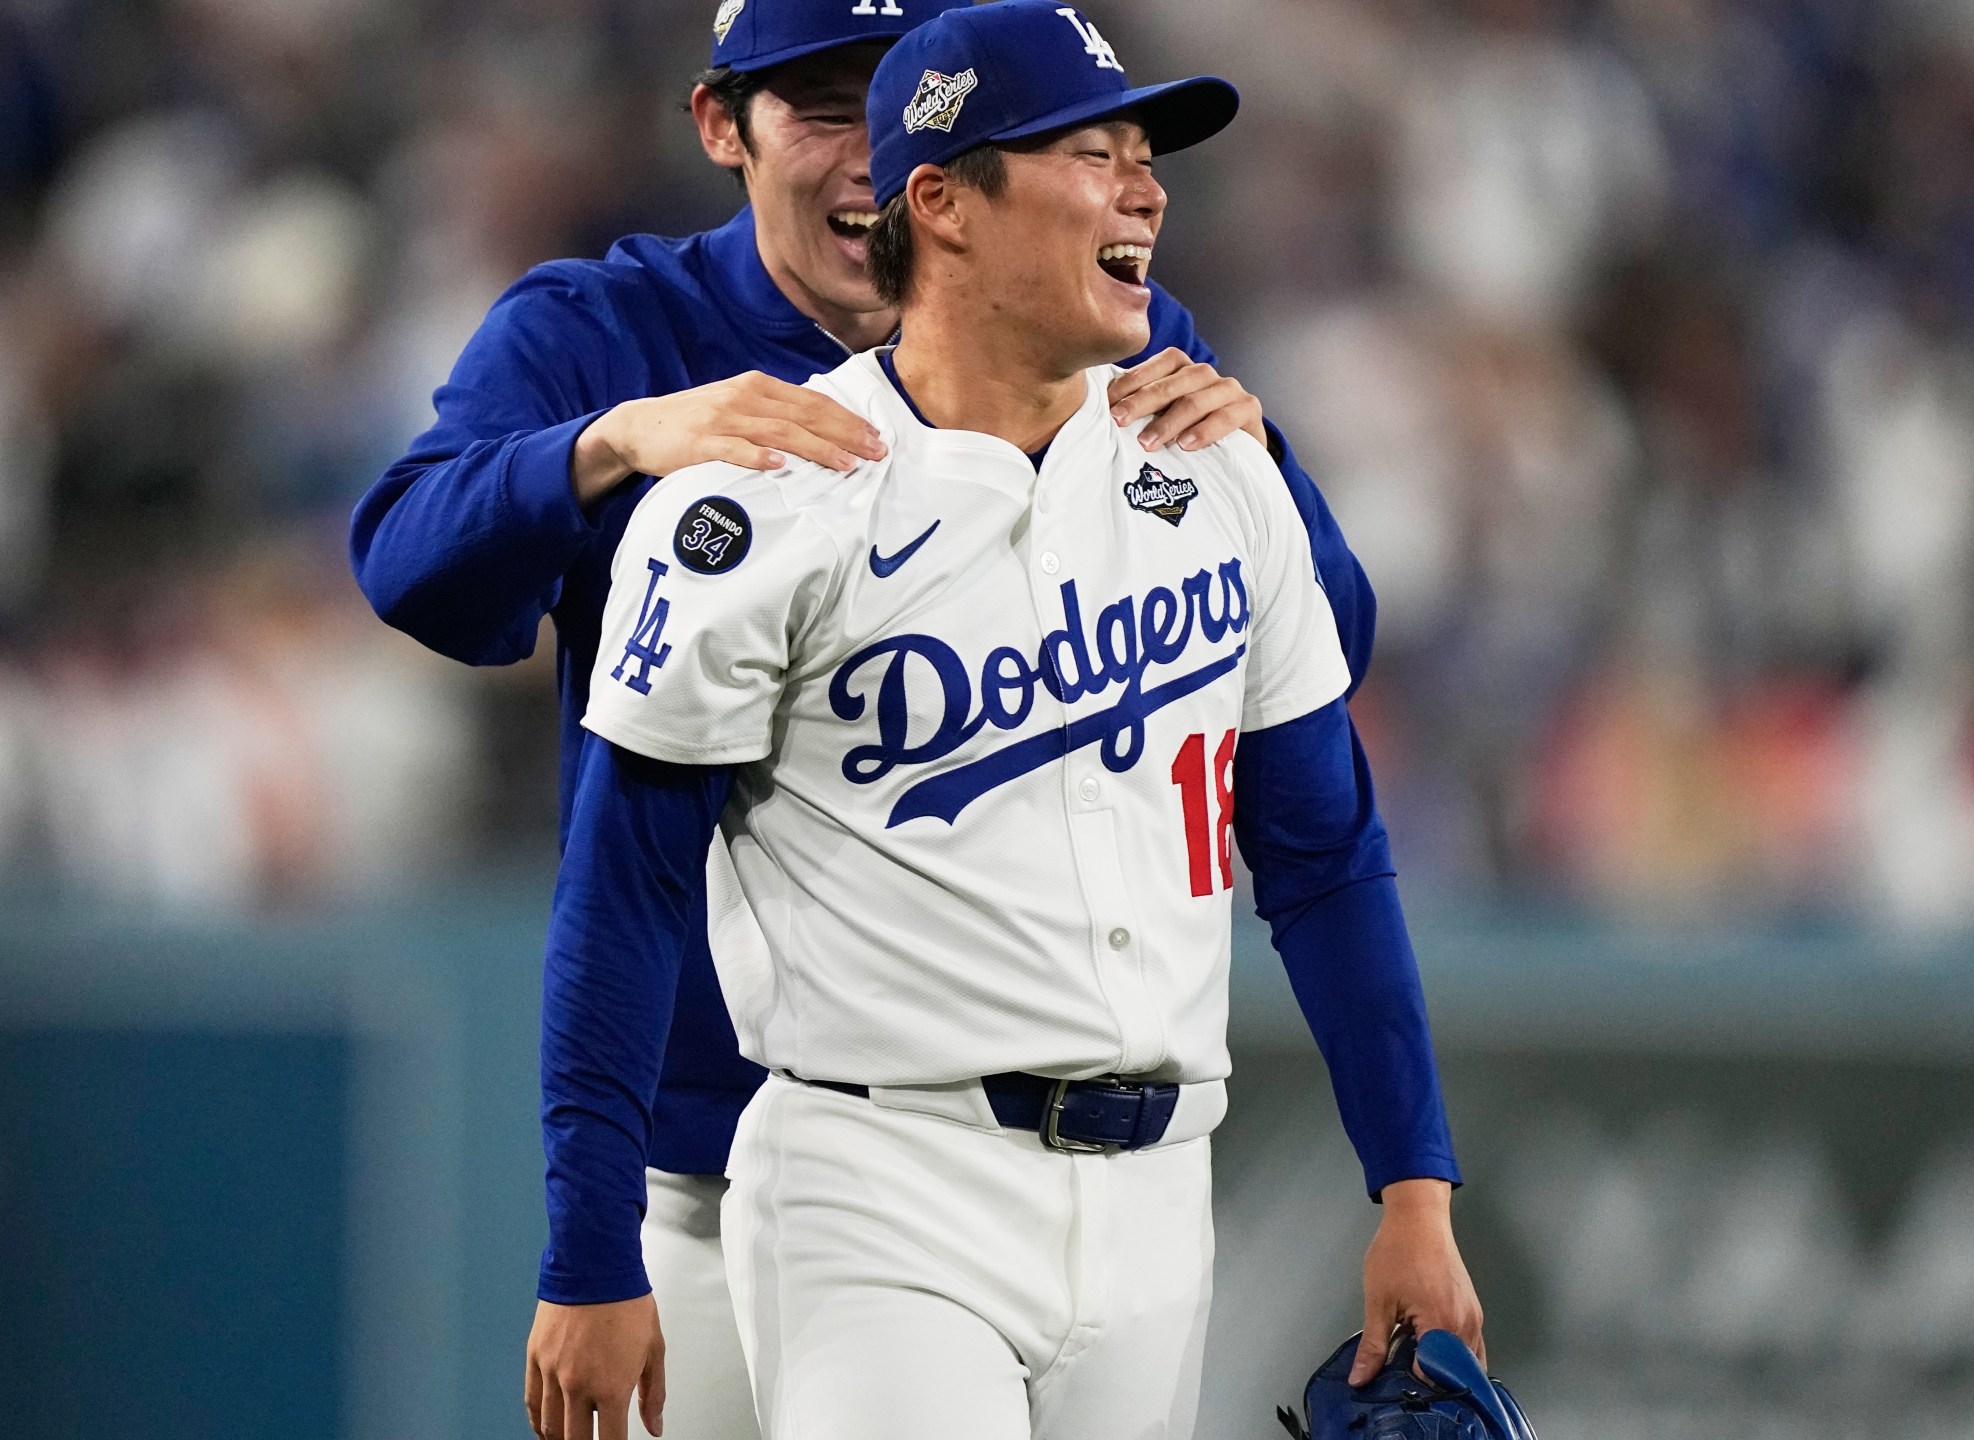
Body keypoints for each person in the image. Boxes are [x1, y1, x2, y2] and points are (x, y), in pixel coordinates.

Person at [343, 2, 1379, 1437]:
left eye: (887, 104)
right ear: (722, 124)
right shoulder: (614, 330)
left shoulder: (1083, 328)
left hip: (1016, 1154)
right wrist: (609, 444)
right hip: (717, 1151)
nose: (862, 153)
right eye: (823, 105)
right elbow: (410, 565)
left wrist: (1271, 467)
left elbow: (1320, 647)